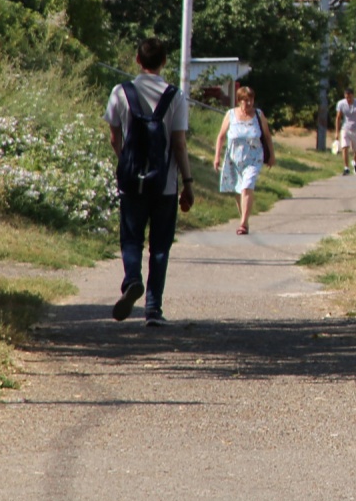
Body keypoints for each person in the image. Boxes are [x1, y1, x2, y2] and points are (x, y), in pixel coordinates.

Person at [106, 37, 193, 325]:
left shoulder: (121, 92)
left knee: (131, 238)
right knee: (160, 246)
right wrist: (188, 182)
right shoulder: (175, 96)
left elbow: (114, 137)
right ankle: (153, 309)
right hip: (164, 184)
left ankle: (132, 279)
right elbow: (179, 144)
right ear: (165, 61)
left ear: (137, 60)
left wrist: (126, 163)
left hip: (131, 182)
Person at [213, 84, 273, 235]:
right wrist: (217, 157)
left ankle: (243, 224)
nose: (248, 103)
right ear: (239, 100)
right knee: (238, 189)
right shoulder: (230, 115)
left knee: (247, 186)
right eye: (245, 100)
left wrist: (272, 155)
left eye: (251, 100)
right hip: (234, 159)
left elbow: (267, 136)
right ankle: (243, 218)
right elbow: (221, 136)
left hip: (253, 159)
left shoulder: (258, 115)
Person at [334, 85, 356, 176]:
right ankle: (346, 168)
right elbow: (338, 117)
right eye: (346, 97)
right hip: (345, 128)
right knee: (345, 147)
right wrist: (337, 132)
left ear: (353, 96)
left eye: (350, 97)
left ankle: (355, 162)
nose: (348, 99)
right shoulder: (341, 103)